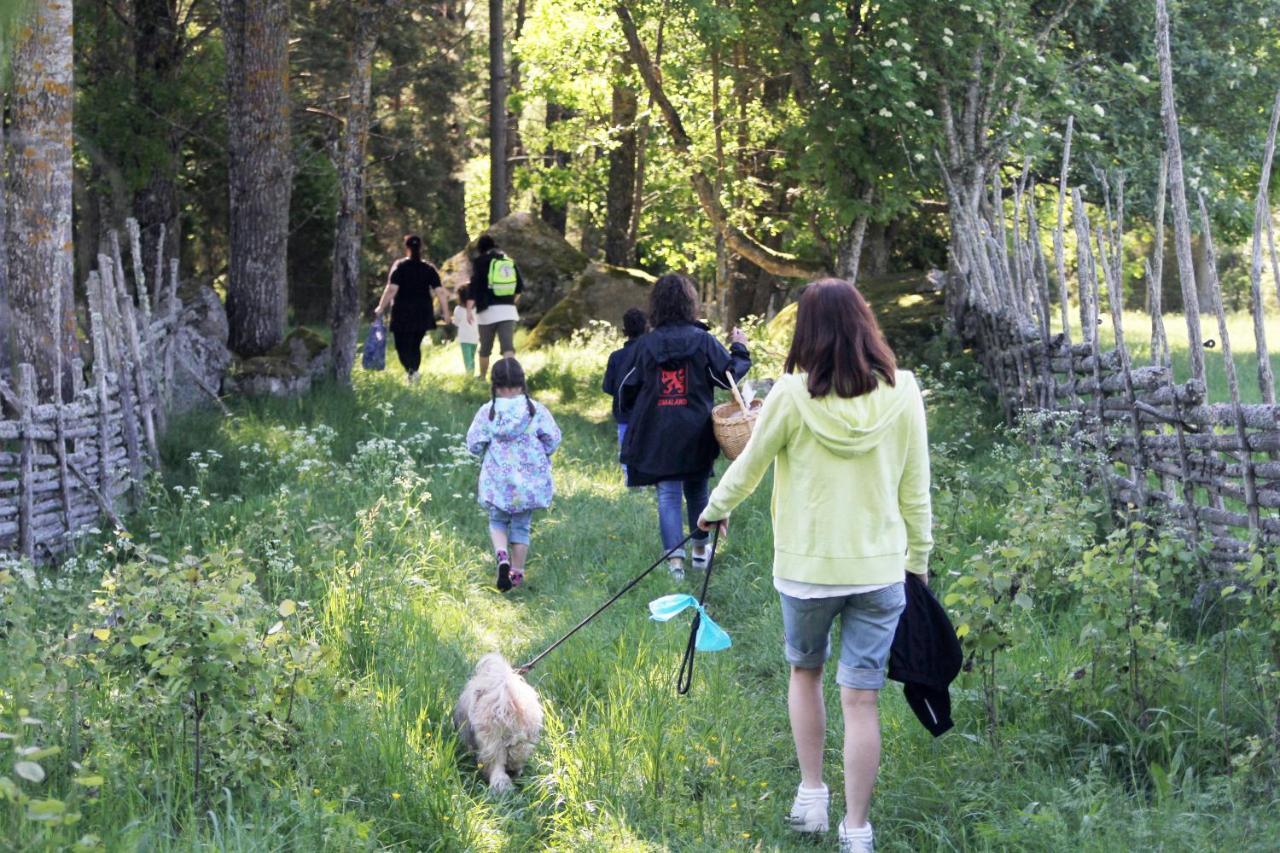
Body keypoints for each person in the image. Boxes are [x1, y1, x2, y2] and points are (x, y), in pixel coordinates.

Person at [696, 279, 932, 853]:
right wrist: (918, 562)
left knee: (806, 673)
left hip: (806, 573)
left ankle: (811, 793)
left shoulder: (791, 395)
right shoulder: (905, 393)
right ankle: (858, 828)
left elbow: (749, 465)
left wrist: (711, 512)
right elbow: (916, 487)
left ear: (807, 331)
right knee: (863, 699)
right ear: (865, 325)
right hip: (879, 571)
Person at [619, 273, 750, 580]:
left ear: (657, 306)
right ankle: (701, 554)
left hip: (659, 431)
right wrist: (740, 348)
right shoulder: (703, 341)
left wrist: (635, 410)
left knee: (667, 493)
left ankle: (675, 564)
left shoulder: (646, 344)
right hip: (696, 430)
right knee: (697, 490)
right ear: (690, 303)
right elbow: (727, 376)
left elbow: (627, 386)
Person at [466, 357, 562, 592]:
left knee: (497, 520)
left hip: (498, 481)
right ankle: (516, 577)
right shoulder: (535, 410)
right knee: (521, 526)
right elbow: (553, 439)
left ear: (495, 384)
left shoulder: (488, 412)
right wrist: (541, 454)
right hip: (528, 484)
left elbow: (474, 444)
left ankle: (502, 557)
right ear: (522, 382)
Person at [374, 235, 450, 382]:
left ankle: (411, 371)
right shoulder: (428, 268)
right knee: (415, 345)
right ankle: (413, 372)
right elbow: (440, 292)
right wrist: (446, 313)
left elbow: (392, 289)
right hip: (423, 312)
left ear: (406, 248)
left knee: (401, 346)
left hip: (402, 312)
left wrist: (380, 307)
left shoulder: (400, 266)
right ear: (421, 248)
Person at [466, 234, 523, 380]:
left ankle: (482, 377)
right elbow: (519, 289)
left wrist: (469, 309)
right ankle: (511, 378)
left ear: (480, 248)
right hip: (508, 311)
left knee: (485, 348)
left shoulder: (480, 262)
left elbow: (474, 287)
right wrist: (510, 304)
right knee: (507, 347)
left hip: (487, 312)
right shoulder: (508, 261)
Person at [601, 307, 648, 475]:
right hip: (648, 413)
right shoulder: (651, 354)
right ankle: (647, 479)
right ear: (647, 329)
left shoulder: (616, 357)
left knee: (626, 450)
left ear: (623, 331)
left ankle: (630, 480)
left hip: (623, 413)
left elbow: (608, 387)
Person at [452, 285, 480, 376]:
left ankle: (469, 375)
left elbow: (456, 322)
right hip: (475, 337)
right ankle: (472, 374)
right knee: (472, 357)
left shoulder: (458, 309)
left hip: (464, 338)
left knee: (467, 358)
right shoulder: (477, 309)